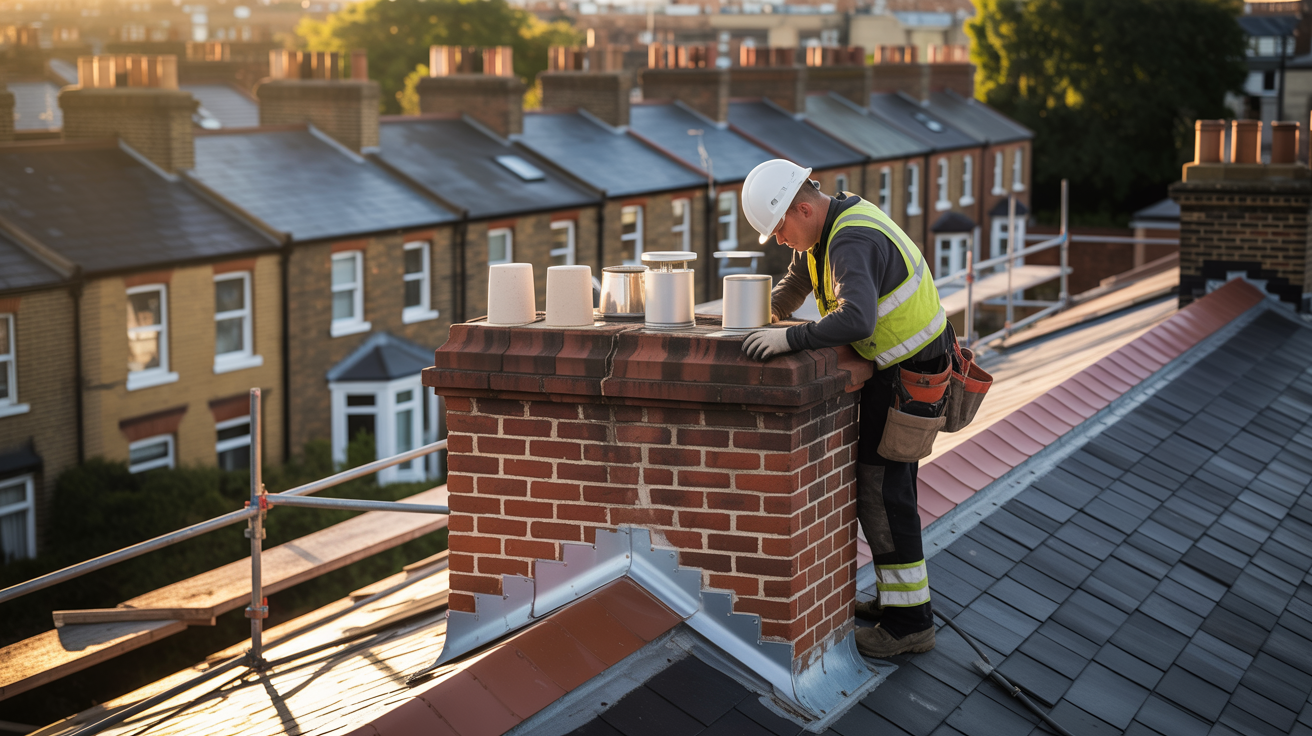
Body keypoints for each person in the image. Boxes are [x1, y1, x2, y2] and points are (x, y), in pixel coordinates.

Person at [738, 159, 950, 658]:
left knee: (885, 492)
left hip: (911, 375)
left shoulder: (852, 240)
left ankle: (910, 623)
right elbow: (798, 278)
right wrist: (767, 310)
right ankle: (898, 601)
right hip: (898, 370)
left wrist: (791, 338)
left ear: (803, 208)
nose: (783, 240)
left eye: (781, 229)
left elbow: (856, 319)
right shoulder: (829, 228)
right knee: (881, 488)